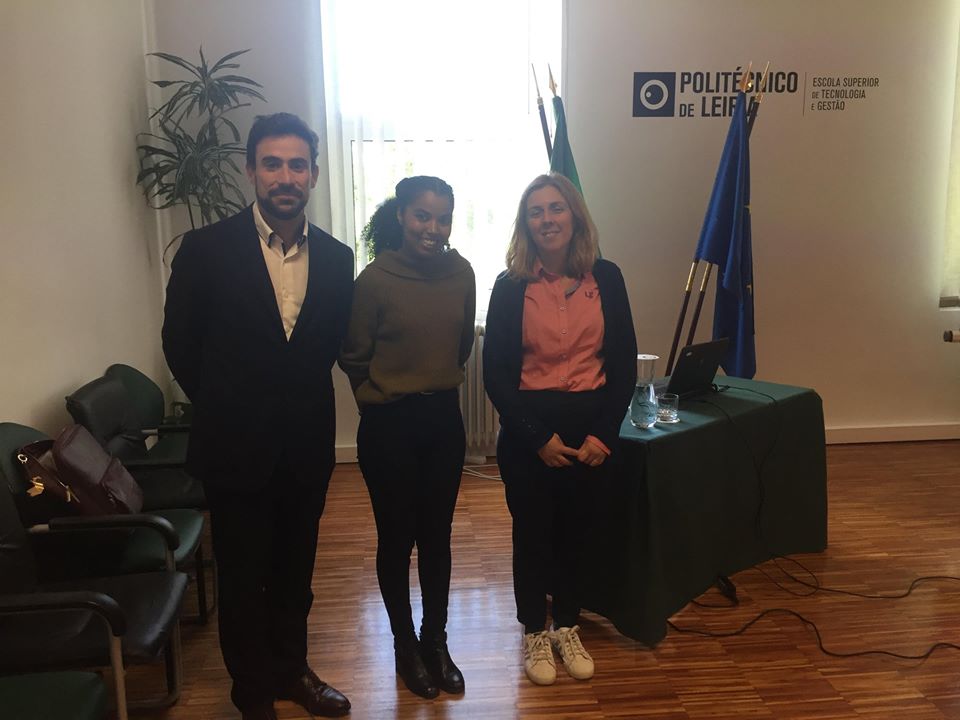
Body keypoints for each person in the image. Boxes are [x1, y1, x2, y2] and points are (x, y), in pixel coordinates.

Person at [162, 113, 354, 720]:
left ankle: (292, 672)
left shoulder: (338, 258)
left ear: (314, 175)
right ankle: (251, 693)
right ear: (250, 171)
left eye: (297, 165)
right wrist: (228, 403)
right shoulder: (205, 250)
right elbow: (179, 344)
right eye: (272, 163)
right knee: (243, 578)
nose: (285, 176)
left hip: (306, 448)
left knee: (296, 573)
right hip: (234, 447)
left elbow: (326, 344)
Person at [482, 173, 637, 686]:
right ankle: (534, 630)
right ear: (525, 223)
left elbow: (623, 366)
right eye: (536, 212)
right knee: (532, 535)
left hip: (591, 430)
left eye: (556, 208)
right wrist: (538, 439)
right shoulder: (509, 286)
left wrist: (603, 436)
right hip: (531, 432)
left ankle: (567, 626)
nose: (547, 219)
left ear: (575, 216)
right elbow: (495, 375)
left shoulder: (607, 278)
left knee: (577, 535)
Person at [339, 176, 476, 699]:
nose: (432, 228)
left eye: (443, 218)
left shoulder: (461, 273)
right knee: (396, 539)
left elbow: (461, 346)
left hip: (442, 421)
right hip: (388, 425)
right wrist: (381, 396)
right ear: (401, 216)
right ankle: (404, 645)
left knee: (437, 536)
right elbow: (353, 356)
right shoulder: (374, 279)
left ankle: (435, 640)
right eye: (422, 215)